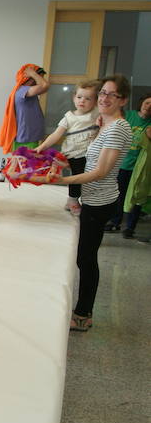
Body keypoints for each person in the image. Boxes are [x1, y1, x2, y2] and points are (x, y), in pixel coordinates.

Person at [59, 75, 133, 331]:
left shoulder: (118, 128)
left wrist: (59, 181)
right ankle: (82, 311)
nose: (103, 98)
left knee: (86, 258)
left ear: (122, 99)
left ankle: (83, 315)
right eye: (102, 92)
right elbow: (86, 159)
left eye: (111, 94)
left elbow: (100, 172)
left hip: (100, 201)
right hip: (91, 198)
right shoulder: (104, 123)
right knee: (84, 256)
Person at [35, 80, 99, 216]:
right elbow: (56, 134)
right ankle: (73, 200)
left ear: (95, 101)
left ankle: (75, 200)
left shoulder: (96, 114)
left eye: (88, 98)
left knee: (88, 179)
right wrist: (42, 146)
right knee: (77, 177)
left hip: (91, 153)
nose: (82, 101)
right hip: (74, 153)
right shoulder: (69, 117)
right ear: (74, 98)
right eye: (79, 97)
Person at [106, 92, 151, 236]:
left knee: (136, 196)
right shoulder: (128, 115)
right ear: (142, 102)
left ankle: (130, 227)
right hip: (122, 163)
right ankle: (115, 222)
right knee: (118, 194)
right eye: (147, 103)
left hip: (140, 168)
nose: (149, 107)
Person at [0, 63, 49, 152]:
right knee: (25, 164)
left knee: (26, 164)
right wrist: (33, 73)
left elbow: (44, 87)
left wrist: (34, 75)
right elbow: (45, 85)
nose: (39, 81)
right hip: (26, 138)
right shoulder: (22, 90)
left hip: (28, 137)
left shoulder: (27, 91)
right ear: (29, 79)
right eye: (38, 78)